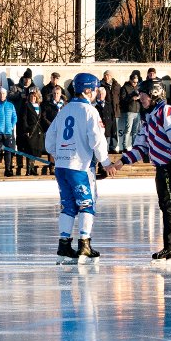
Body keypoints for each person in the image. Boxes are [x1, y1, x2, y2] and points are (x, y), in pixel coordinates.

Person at [120, 77, 171, 260]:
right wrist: (120, 162)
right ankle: (169, 246)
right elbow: (140, 146)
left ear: (154, 94)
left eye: (143, 95)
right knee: (165, 205)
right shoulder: (149, 116)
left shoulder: (167, 111)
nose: (140, 98)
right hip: (161, 166)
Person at [50, 71, 112, 260]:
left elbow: (49, 140)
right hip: (80, 167)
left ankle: (64, 245)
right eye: (94, 89)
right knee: (86, 204)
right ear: (87, 90)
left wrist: (59, 155)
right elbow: (97, 139)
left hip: (62, 167)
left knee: (68, 206)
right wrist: (106, 162)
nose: (95, 93)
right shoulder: (90, 111)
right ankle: (84, 244)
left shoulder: (64, 110)